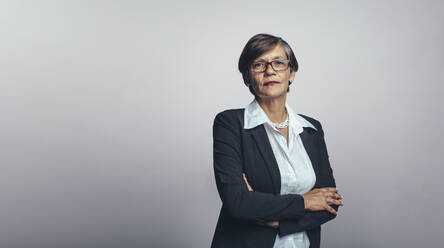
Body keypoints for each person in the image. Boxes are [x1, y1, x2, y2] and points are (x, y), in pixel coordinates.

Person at [210, 33, 343, 248]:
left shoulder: (312, 129)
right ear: (247, 77)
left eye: (279, 63)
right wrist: (304, 201)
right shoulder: (230, 124)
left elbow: (331, 204)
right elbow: (238, 203)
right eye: (259, 64)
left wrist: (277, 221)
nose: (270, 70)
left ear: (291, 73)